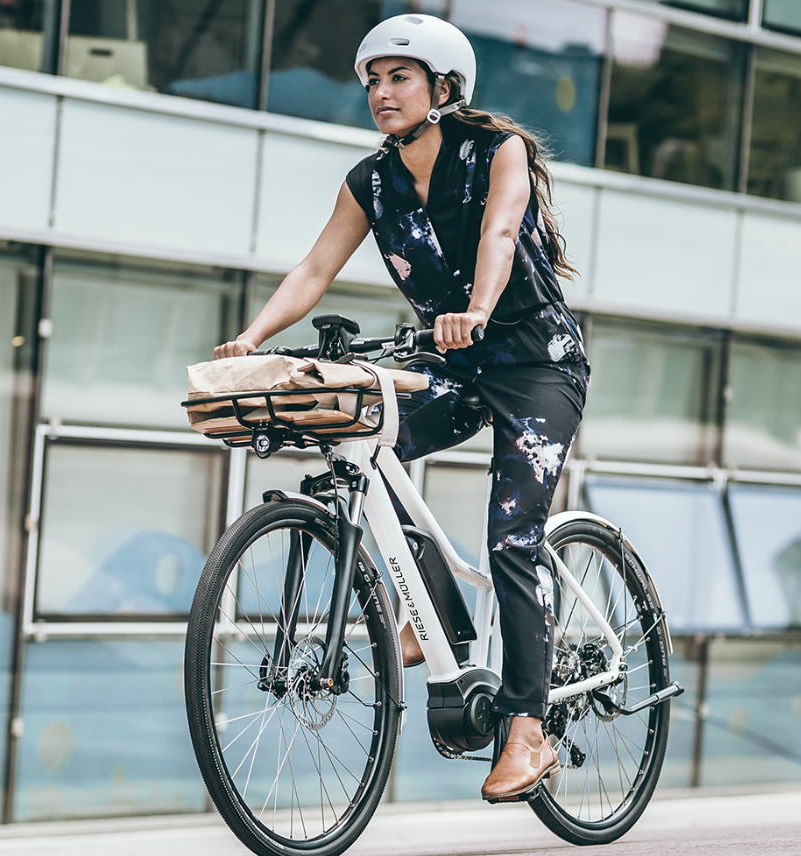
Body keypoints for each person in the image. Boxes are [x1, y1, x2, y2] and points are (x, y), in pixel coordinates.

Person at [212, 13, 589, 802]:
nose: (381, 94)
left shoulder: (496, 150)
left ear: (444, 88)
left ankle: (527, 729)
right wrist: (250, 338)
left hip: (533, 362)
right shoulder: (371, 180)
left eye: (400, 78)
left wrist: (481, 308)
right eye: (374, 81)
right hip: (448, 363)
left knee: (512, 536)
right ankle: (440, 619)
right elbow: (316, 267)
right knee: (363, 443)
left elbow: (501, 228)